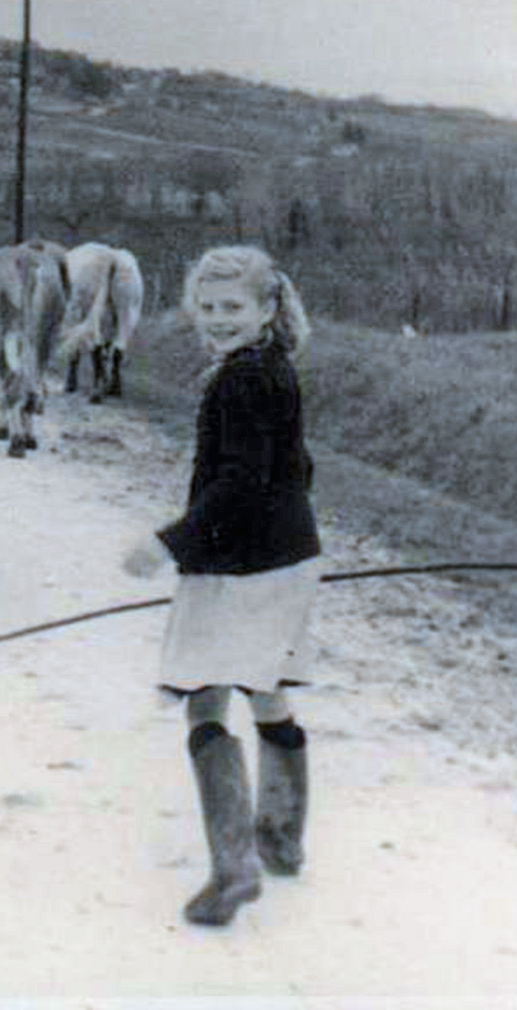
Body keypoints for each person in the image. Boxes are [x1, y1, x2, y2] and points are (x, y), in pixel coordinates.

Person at [122, 244, 320, 927]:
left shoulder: (238, 382)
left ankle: (234, 867)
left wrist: (168, 542)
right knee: (267, 689)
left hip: (236, 568)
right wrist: (287, 522)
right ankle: (282, 838)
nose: (217, 318)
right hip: (291, 560)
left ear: (267, 308)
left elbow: (237, 484)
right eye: (206, 307)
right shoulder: (277, 368)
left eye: (232, 306)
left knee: (205, 700)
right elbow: (298, 467)